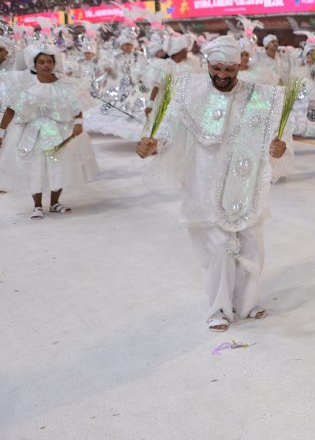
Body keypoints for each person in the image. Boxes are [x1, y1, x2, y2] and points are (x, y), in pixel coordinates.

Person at [135, 36, 288, 331]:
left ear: (238, 66)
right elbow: (166, 133)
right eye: (216, 68)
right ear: (207, 64)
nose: (222, 75)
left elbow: (278, 139)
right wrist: (152, 146)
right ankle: (219, 309)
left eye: (229, 70)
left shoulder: (260, 96)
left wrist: (278, 150)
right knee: (218, 250)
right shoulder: (188, 92)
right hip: (205, 183)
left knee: (253, 247)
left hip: (247, 184)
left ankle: (248, 303)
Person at [0, 43, 99, 219]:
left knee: (58, 165)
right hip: (32, 132)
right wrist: (1, 131)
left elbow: (76, 105)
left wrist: (78, 122)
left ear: (54, 63)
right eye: (41, 62)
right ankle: (37, 205)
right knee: (35, 167)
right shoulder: (27, 85)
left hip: (59, 131)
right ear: (35, 64)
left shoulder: (65, 85)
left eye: (49, 62)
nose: (46, 65)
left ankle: (55, 202)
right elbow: (11, 109)